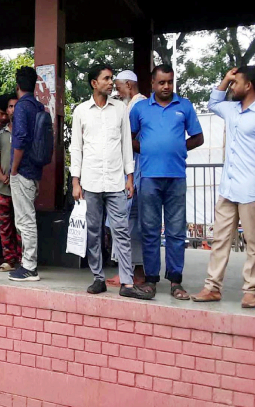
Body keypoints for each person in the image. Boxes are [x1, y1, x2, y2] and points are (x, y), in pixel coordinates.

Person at [69, 64, 152, 299]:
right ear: (94, 84)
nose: (110, 82)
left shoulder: (120, 110)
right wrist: (76, 181)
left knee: (121, 230)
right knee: (94, 232)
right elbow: (76, 148)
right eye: (106, 79)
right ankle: (98, 278)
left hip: (116, 181)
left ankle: (126, 283)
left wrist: (129, 177)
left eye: (111, 78)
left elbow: (127, 144)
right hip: (91, 181)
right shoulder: (81, 111)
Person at [130, 64, 204, 299]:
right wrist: (147, 150)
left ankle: (175, 281)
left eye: (170, 82)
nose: (166, 86)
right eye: (161, 82)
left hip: (176, 178)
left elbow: (198, 137)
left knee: (175, 232)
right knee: (149, 230)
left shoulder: (184, 106)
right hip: (149, 178)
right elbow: (128, 138)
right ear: (152, 83)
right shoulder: (140, 108)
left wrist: (179, 148)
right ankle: (151, 280)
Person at [191, 67, 255, 307]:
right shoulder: (231, 109)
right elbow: (212, 102)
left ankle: (252, 290)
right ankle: (212, 287)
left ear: (249, 85)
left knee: (253, 243)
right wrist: (226, 78)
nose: (231, 87)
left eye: (235, 82)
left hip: (252, 189)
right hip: (227, 188)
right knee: (219, 240)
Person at [106, 70, 148, 286]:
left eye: (119, 86)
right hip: (131, 170)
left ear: (129, 86)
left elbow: (126, 139)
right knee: (125, 222)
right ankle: (129, 271)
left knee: (131, 222)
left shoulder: (137, 106)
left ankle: (136, 271)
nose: (116, 90)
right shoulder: (134, 105)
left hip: (134, 171)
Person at [8, 66, 46, 282]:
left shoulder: (22, 107)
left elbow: (20, 139)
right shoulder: (38, 105)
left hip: (22, 171)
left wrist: (14, 169)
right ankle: (28, 264)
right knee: (27, 218)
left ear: (18, 85)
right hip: (35, 170)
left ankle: (29, 266)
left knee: (25, 220)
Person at [0, 94, 21, 272]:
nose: (12, 110)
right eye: (10, 107)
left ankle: (22, 260)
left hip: (20, 188)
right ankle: (9, 260)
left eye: (15, 106)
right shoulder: (1, 134)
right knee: (5, 227)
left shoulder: (24, 132)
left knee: (21, 228)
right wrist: (0, 175)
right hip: (2, 188)